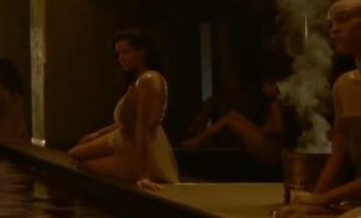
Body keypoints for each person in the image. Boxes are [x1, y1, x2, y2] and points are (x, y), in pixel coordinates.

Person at [274, 0, 361, 218]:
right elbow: (340, 154)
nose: (334, 29)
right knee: (287, 217)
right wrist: (313, 201)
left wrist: (323, 199)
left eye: (343, 19)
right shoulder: (344, 86)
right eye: (331, 23)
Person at [68, 29, 179, 190]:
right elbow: (128, 121)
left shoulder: (149, 79)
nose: (121, 58)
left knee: (83, 163)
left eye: (126, 52)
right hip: (124, 137)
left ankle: (136, 169)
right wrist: (97, 134)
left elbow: (143, 127)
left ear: (143, 51)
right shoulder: (137, 81)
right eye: (118, 54)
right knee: (76, 153)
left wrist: (143, 176)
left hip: (136, 144)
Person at [182, 78, 287, 166]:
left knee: (229, 120)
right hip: (266, 140)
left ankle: (198, 140)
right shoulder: (272, 103)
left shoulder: (276, 104)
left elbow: (278, 128)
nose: (263, 89)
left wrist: (258, 130)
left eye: (266, 86)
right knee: (233, 115)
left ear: (275, 86)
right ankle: (198, 139)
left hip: (269, 147)